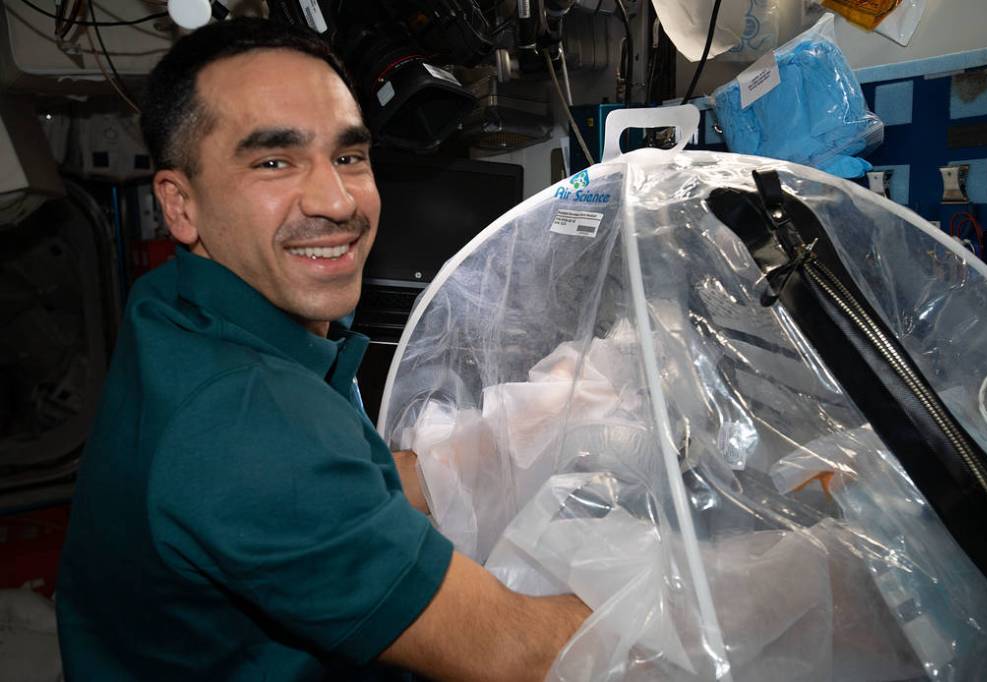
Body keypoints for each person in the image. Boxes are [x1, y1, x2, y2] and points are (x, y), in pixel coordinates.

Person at [56, 17, 589, 682]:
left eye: (348, 157)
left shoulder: (179, 309)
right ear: (180, 204)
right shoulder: (247, 422)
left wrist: (538, 428)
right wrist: (725, 591)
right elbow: (520, 653)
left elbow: (350, 484)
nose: (337, 201)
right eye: (273, 162)